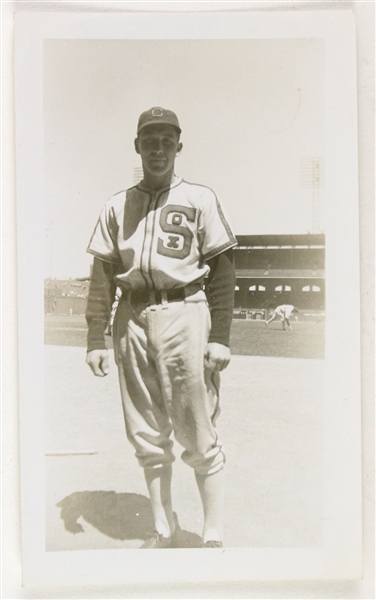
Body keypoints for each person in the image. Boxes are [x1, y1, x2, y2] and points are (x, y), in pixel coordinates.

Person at [85, 107, 237, 549]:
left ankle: (212, 532)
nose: (157, 149)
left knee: (197, 426)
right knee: (145, 431)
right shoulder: (117, 204)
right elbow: (101, 275)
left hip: (184, 312)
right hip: (130, 317)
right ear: (137, 146)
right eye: (149, 140)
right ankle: (163, 526)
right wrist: (96, 337)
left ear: (178, 146)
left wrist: (221, 336)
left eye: (166, 141)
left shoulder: (200, 198)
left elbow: (223, 270)